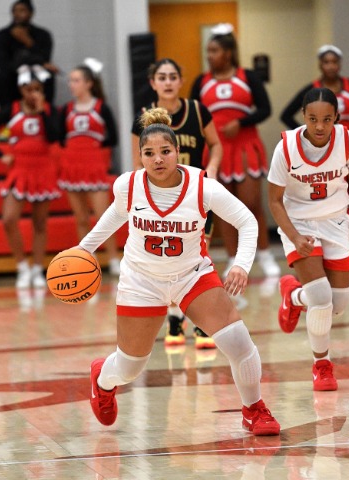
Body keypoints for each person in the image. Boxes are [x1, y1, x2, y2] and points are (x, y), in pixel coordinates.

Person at [77, 108, 280, 435]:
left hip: (191, 276)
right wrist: (82, 249)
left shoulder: (203, 187)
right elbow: (115, 215)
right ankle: (102, 378)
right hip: (141, 280)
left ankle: (254, 409)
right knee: (129, 368)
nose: (158, 159)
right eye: (149, 153)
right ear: (140, 157)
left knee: (238, 343)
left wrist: (241, 264)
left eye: (165, 151)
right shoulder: (128, 185)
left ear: (178, 151)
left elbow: (246, 221)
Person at [267, 88, 349, 391]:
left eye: (326, 119)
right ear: (303, 116)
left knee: (338, 304)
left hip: (336, 221)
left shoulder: (348, 141)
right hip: (299, 223)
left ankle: (293, 296)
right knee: (322, 299)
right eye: (312, 119)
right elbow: (274, 200)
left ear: (337, 117)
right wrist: (294, 236)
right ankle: (321, 366)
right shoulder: (286, 148)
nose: (319, 126)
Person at [131, 58, 223, 349]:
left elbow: (216, 144)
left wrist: (213, 169)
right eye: (162, 77)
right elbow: (137, 162)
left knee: (198, 261)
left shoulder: (198, 110)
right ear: (153, 83)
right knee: (169, 261)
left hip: (194, 197)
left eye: (173, 76)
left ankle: (202, 322)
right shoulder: (143, 116)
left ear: (181, 81)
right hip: (161, 200)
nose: (168, 82)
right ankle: (174, 318)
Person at [280, 44, 349, 266]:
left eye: (334, 62)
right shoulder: (312, 90)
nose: (330, 66)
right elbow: (286, 114)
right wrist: (303, 136)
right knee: (326, 197)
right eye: (326, 62)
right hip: (321, 153)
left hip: (347, 149)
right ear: (320, 64)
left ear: (340, 64)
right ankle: (324, 243)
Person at [190, 23, 280, 279]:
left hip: (245, 146)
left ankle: (264, 254)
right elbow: (193, 114)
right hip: (216, 151)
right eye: (208, 51)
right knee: (223, 207)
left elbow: (265, 109)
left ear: (228, 53)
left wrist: (241, 122)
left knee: (251, 203)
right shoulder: (201, 82)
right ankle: (233, 258)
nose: (209, 56)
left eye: (214, 51)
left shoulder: (247, 76)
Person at [0, 65, 60, 289]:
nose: (32, 94)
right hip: (19, 171)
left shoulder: (50, 111)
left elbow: (54, 136)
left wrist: (42, 111)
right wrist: (0, 155)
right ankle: (22, 267)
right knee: (9, 218)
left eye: (37, 89)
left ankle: (37, 268)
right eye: (28, 89)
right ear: (21, 89)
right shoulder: (12, 109)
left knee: (40, 223)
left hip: (42, 171)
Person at [57, 58, 120, 275]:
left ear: (89, 83)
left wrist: (93, 148)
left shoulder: (101, 107)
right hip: (73, 168)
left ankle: (113, 259)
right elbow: (59, 137)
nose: (71, 84)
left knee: (104, 218)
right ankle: (86, 259)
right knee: (81, 219)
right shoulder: (66, 109)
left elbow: (113, 137)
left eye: (76, 80)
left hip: (95, 168)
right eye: (70, 80)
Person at [0, 0, 59, 108]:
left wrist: (28, 41)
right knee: (1, 77)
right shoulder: (3, 35)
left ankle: (46, 111)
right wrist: (30, 61)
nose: (17, 14)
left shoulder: (43, 34)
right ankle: (7, 113)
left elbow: (45, 58)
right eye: (15, 11)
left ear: (31, 13)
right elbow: (2, 62)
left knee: (48, 75)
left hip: (36, 71)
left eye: (22, 10)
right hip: (14, 73)